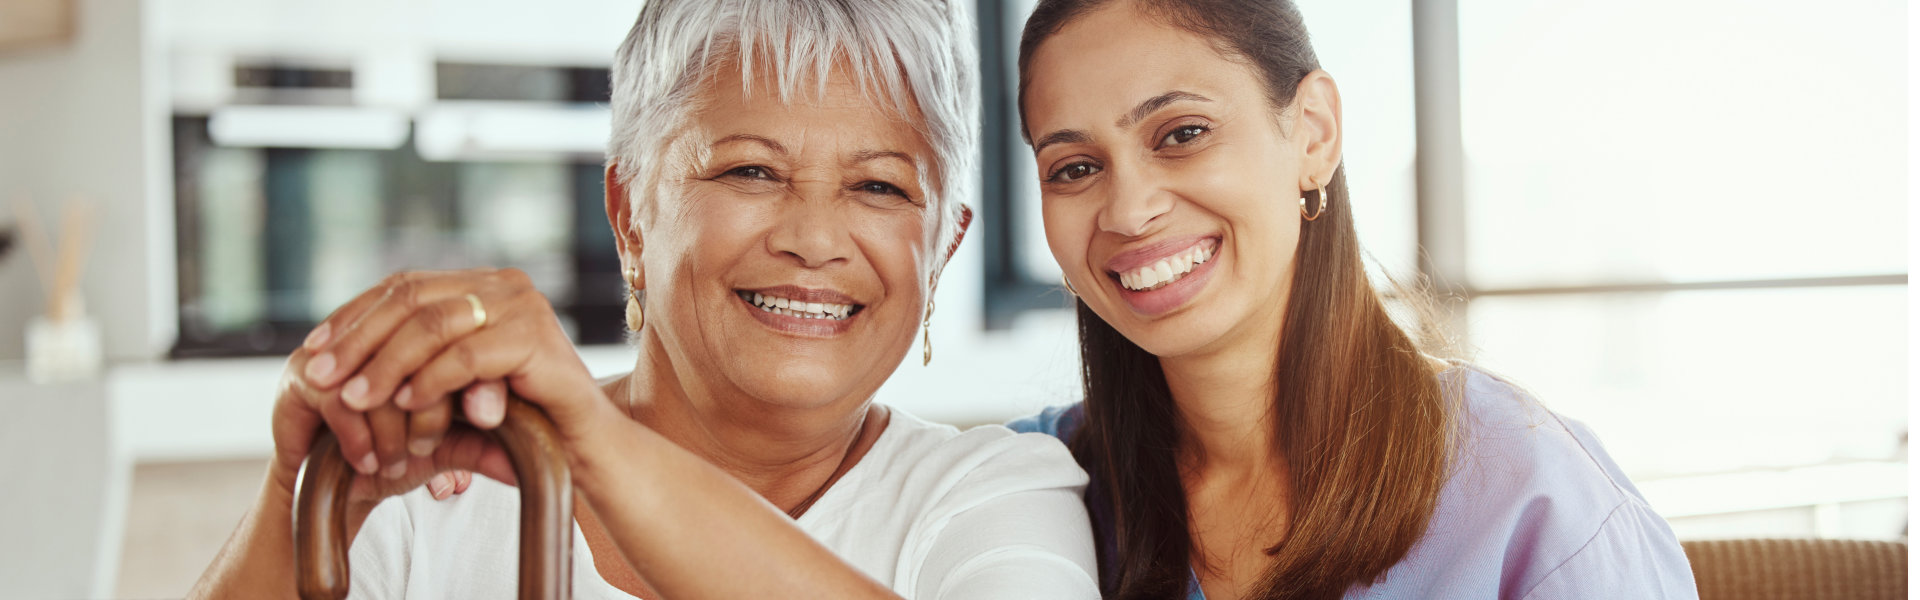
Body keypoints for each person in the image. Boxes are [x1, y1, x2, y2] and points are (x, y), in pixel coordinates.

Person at [189, 1, 1100, 598]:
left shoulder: (996, 494)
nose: (814, 238)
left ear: (944, 244)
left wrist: (596, 445)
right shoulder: (438, 493)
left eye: (879, 188)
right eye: (750, 170)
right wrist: (300, 496)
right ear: (628, 212)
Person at [1007, 0, 1698, 598]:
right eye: (1075, 169)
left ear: (1313, 132)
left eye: (1183, 133)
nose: (1128, 211)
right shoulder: (1027, 488)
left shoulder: (1522, 485)